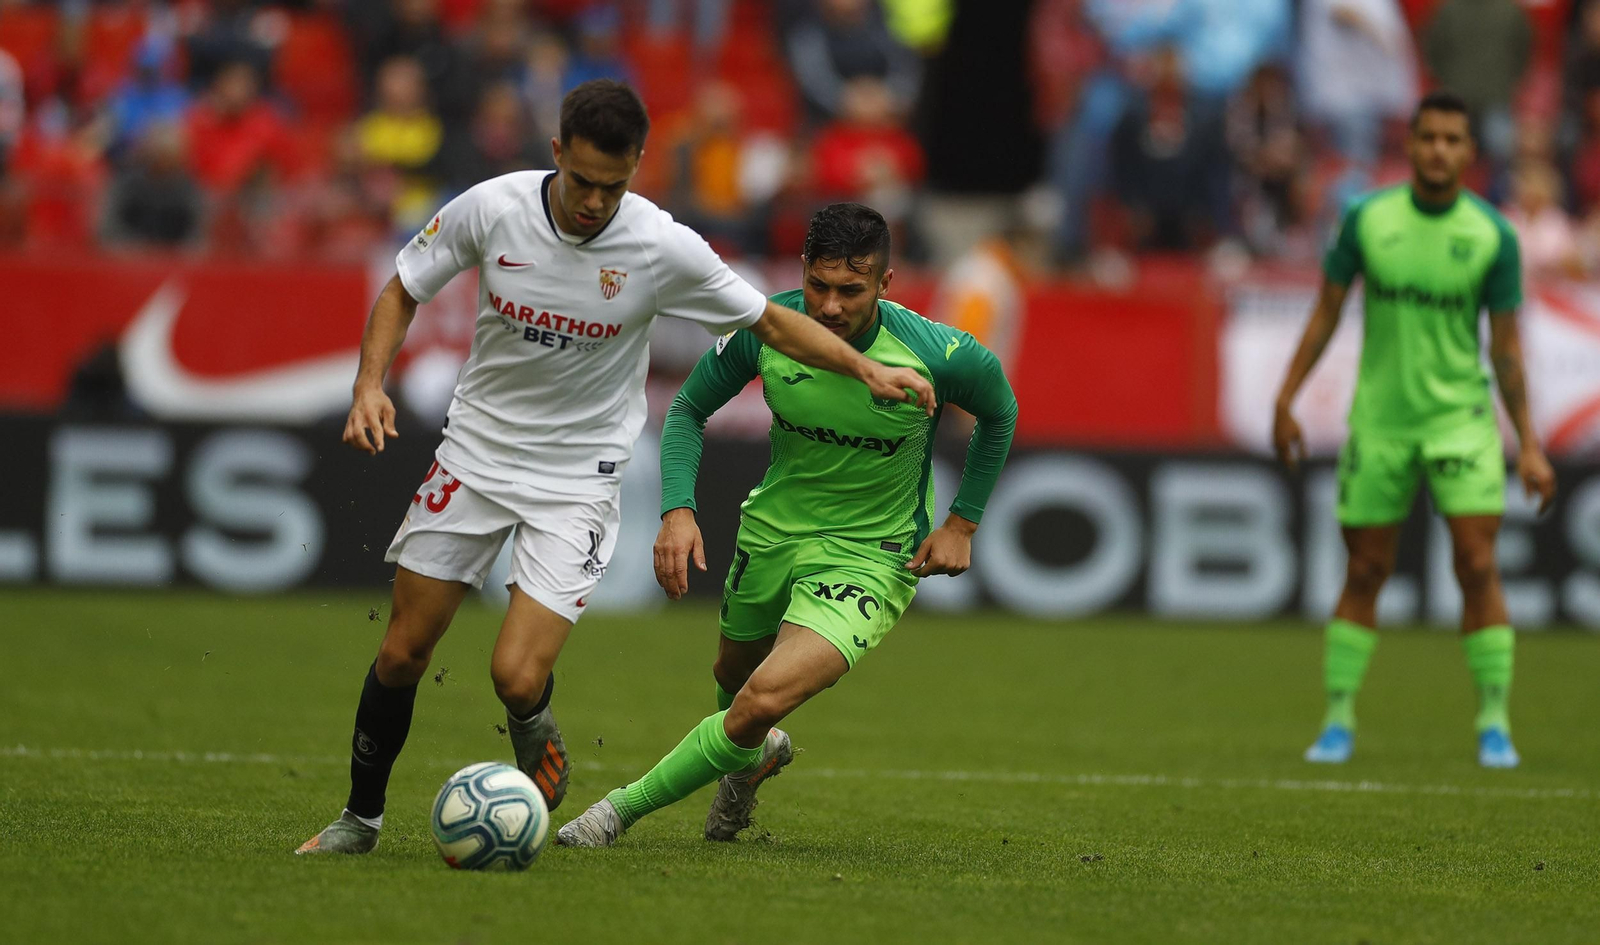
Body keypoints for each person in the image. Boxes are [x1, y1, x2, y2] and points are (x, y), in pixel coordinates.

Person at [296, 83, 935, 856]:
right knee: (402, 651)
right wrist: (369, 385)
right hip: (475, 454)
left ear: (637, 166)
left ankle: (534, 729)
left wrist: (863, 370)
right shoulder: (491, 208)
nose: (597, 201)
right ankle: (359, 821)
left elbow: (772, 321)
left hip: (578, 479)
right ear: (558, 153)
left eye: (615, 184)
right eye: (584, 181)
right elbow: (404, 286)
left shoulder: (661, 245)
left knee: (515, 677)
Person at [557, 203, 1018, 847]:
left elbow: (1001, 412)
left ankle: (615, 814)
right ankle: (748, 770)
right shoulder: (766, 327)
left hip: (871, 554)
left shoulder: (938, 352)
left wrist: (962, 525)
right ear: (802, 271)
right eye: (819, 286)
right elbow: (688, 408)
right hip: (771, 533)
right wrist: (678, 510)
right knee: (732, 681)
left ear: (885, 286)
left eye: (851, 291)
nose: (830, 306)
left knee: (760, 702)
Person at [1272, 91, 1557, 770]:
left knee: (1478, 563)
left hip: (1461, 422)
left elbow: (1507, 348)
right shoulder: (1368, 220)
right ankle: (1338, 720)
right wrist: (1287, 397)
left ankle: (1494, 721)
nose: (1438, 150)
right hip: (1382, 420)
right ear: (1411, 145)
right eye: (1427, 137)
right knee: (1366, 566)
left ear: (1469, 152)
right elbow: (1326, 312)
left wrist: (1530, 442)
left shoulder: (1492, 236)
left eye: (1452, 140)